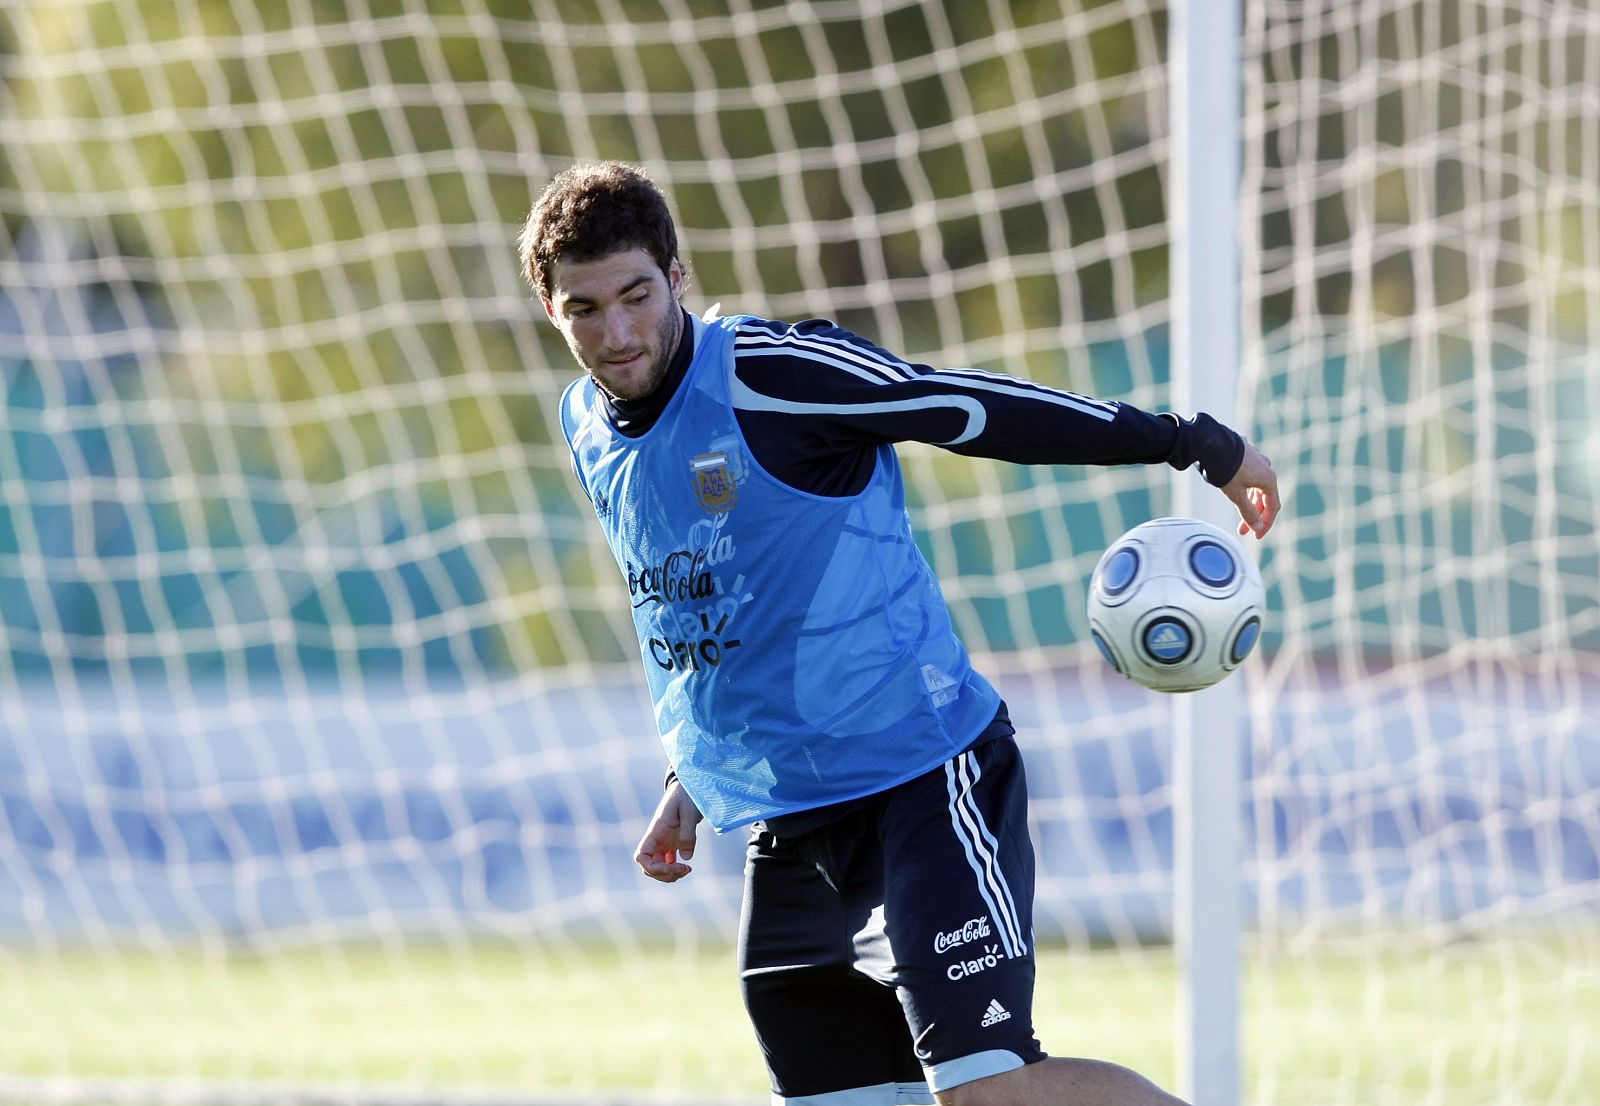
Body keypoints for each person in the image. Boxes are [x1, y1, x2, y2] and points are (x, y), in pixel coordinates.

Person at [520, 161, 1279, 1106]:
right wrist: (689, 771)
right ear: (553, 314)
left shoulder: (775, 374)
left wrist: (1189, 442)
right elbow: (694, 594)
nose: (617, 332)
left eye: (636, 295)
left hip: (922, 782)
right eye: (584, 310)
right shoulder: (587, 424)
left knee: (983, 1091)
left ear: (676, 277)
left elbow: (968, 408)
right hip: (789, 825)